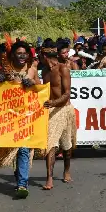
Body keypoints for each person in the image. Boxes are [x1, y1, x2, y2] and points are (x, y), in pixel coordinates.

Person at [0, 39, 40, 199]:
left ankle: (22, 184)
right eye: (19, 53)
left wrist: (32, 82)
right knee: (12, 149)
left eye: (24, 53)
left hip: (26, 115)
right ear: (13, 54)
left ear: (28, 55)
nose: (22, 56)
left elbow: (40, 89)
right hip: (8, 115)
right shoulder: (7, 68)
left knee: (24, 149)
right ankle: (19, 174)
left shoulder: (32, 69)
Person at [39, 39, 76, 190]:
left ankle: (67, 170)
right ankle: (49, 177)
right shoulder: (45, 72)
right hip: (51, 111)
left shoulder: (63, 69)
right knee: (51, 144)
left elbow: (67, 94)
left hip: (64, 109)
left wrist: (54, 103)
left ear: (45, 56)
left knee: (66, 147)